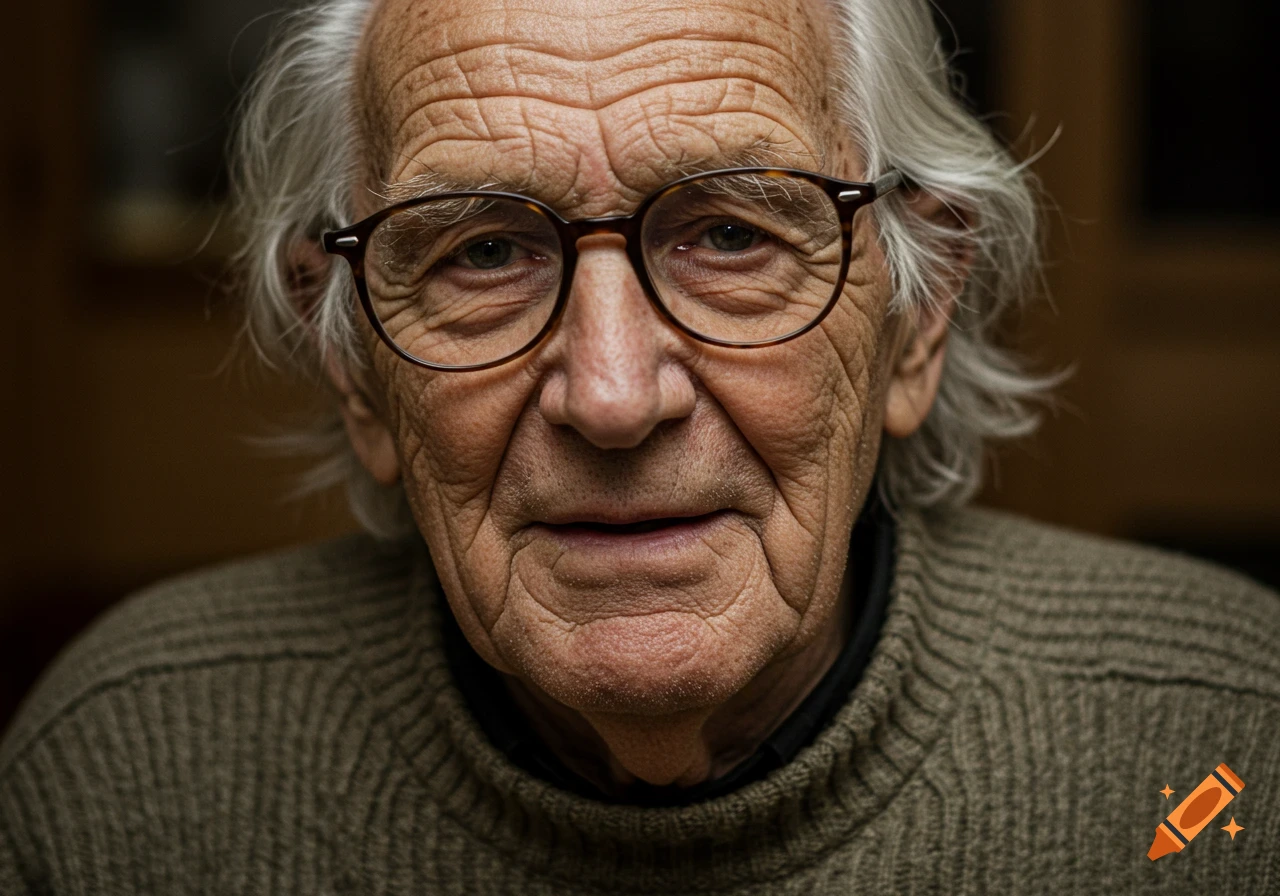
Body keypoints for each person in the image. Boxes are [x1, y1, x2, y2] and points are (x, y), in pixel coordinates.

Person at [2, 0, 1277, 891]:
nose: (611, 396)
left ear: (914, 311)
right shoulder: (127, 769)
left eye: (730, 235)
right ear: (352, 360)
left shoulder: (1218, 751)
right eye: (482, 251)